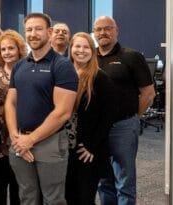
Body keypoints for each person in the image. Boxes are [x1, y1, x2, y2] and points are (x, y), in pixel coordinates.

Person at [6, 13, 78, 205]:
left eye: (38, 29)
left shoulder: (62, 66)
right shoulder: (20, 66)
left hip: (50, 143)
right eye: (29, 29)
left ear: (49, 32)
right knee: (27, 196)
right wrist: (16, 138)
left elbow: (63, 112)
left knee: (52, 199)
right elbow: (10, 103)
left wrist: (31, 139)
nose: (33, 34)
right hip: (20, 141)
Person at [94, 16, 155, 205]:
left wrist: (133, 117)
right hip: (98, 128)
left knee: (124, 179)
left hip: (123, 126)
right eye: (99, 29)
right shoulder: (90, 58)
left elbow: (148, 93)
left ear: (116, 30)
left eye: (107, 28)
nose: (103, 33)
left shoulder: (131, 56)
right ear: (94, 33)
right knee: (104, 178)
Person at [65, 32, 119, 205]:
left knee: (84, 197)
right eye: (77, 46)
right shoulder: (62, 73)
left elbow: (108, 116)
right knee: (67, 195)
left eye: (86, 47)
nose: (81, 51)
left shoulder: (100, 77)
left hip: (86, 149)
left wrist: (91, 146)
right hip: (64, 147)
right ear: (70, 48)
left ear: (92, 50)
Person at [0, 30, 25, 205]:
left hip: (22, 136)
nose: (7, 52)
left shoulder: (28, 72)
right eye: (3, 49)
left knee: (20, 189)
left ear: (19, 49)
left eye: (11, 48)